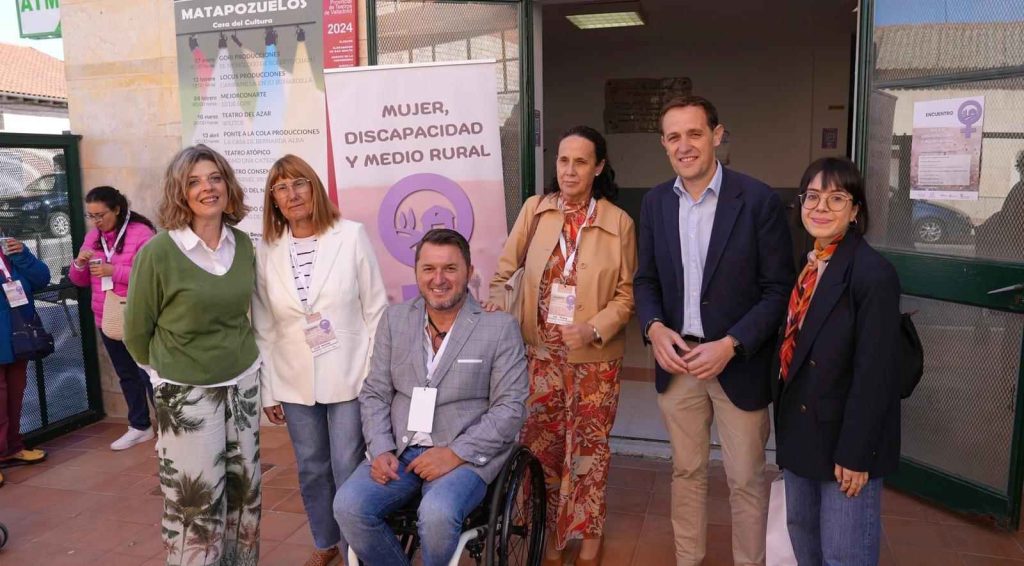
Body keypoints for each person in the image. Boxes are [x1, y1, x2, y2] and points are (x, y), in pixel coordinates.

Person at [633, 95, 795, 566]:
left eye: (695, 133)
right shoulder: (656, 202)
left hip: (736, 365)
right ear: (664, 145)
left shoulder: (758, 200)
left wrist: (732, 343)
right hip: (678, 361)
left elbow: (778, 289)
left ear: (717, 136)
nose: (685, 145)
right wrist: (654, 326)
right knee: (686, 472)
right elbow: (646, 280)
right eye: (674, 137)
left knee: (745, 478)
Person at [335, 228, 528, 566]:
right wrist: (380, 448)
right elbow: (375, 392)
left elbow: (510, 409)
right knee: (348, 506)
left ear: (468, 271)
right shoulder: (395, 321)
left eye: (450, 268)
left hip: (464, 456)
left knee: (437, 513)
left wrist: (454, 453)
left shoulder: (499, 328)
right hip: (400, 450)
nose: (439, 279)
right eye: (429, 269)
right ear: (416, 272)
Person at [488, 125, 636, 566]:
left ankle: (588, 534)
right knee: (543, 447)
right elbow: (502, 275)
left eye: (581, 162)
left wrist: (593, 328)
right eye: (563, 161)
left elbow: (628, 295)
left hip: (594, 362)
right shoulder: (535, 210)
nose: (570, 170)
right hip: (540, 356)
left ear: (599, 167)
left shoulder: (618, 221)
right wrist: (500, 311)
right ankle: (551, 529)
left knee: (589, 450)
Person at [124, 144, 261, 566]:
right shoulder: (159, 253)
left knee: (244, 499)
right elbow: (135, 332)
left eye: (215, 178)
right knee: (195, 508)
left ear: (227, 184)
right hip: (186, 394)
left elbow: (245, 313)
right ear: (179, 193)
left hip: (243, 385)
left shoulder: (241, 243)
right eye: (195, 181)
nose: (207, 188)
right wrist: (164, 377)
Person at [252, 154, 387, 566]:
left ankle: (353, 549)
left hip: (350, 375)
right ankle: (325, 541)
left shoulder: (351, 236)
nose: (292, 195)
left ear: (314, 188)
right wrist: (269, 389)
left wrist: (371, 376)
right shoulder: (267, 250)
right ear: (273, 200)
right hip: (293, 379)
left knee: (348, 465)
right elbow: (263, 325)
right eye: (281, 188)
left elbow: (376, 309)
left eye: (299, 184)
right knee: (311, 467)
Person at [774, 157, 901, 566]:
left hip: (845, 445)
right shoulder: (810, 264)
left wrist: (856, 454)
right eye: (812, 196)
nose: (821, 207)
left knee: (844, 555)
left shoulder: (872, 274)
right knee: (804, 542)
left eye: (836, 198)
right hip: (803, 430)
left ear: (855, 210)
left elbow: (876, 375)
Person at [69, 186, 158, 451]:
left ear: (117, 209)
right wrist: (80, 264)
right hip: (106, 316)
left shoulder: (142, 234)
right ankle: (140, 426)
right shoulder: (93, 237)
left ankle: (169, 427)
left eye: (100, 215)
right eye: (91, 216)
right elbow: (79, 281)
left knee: (151, 374)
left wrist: (113, 270)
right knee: (126, 374)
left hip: (137, 315)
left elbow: (153, 275)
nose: (96, 221)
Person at [0, 237, 50, 486]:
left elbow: (42, 279)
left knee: (14, 397)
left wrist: (23, 256)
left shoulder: (11, 252)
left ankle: (12, 448)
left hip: (18, 339)